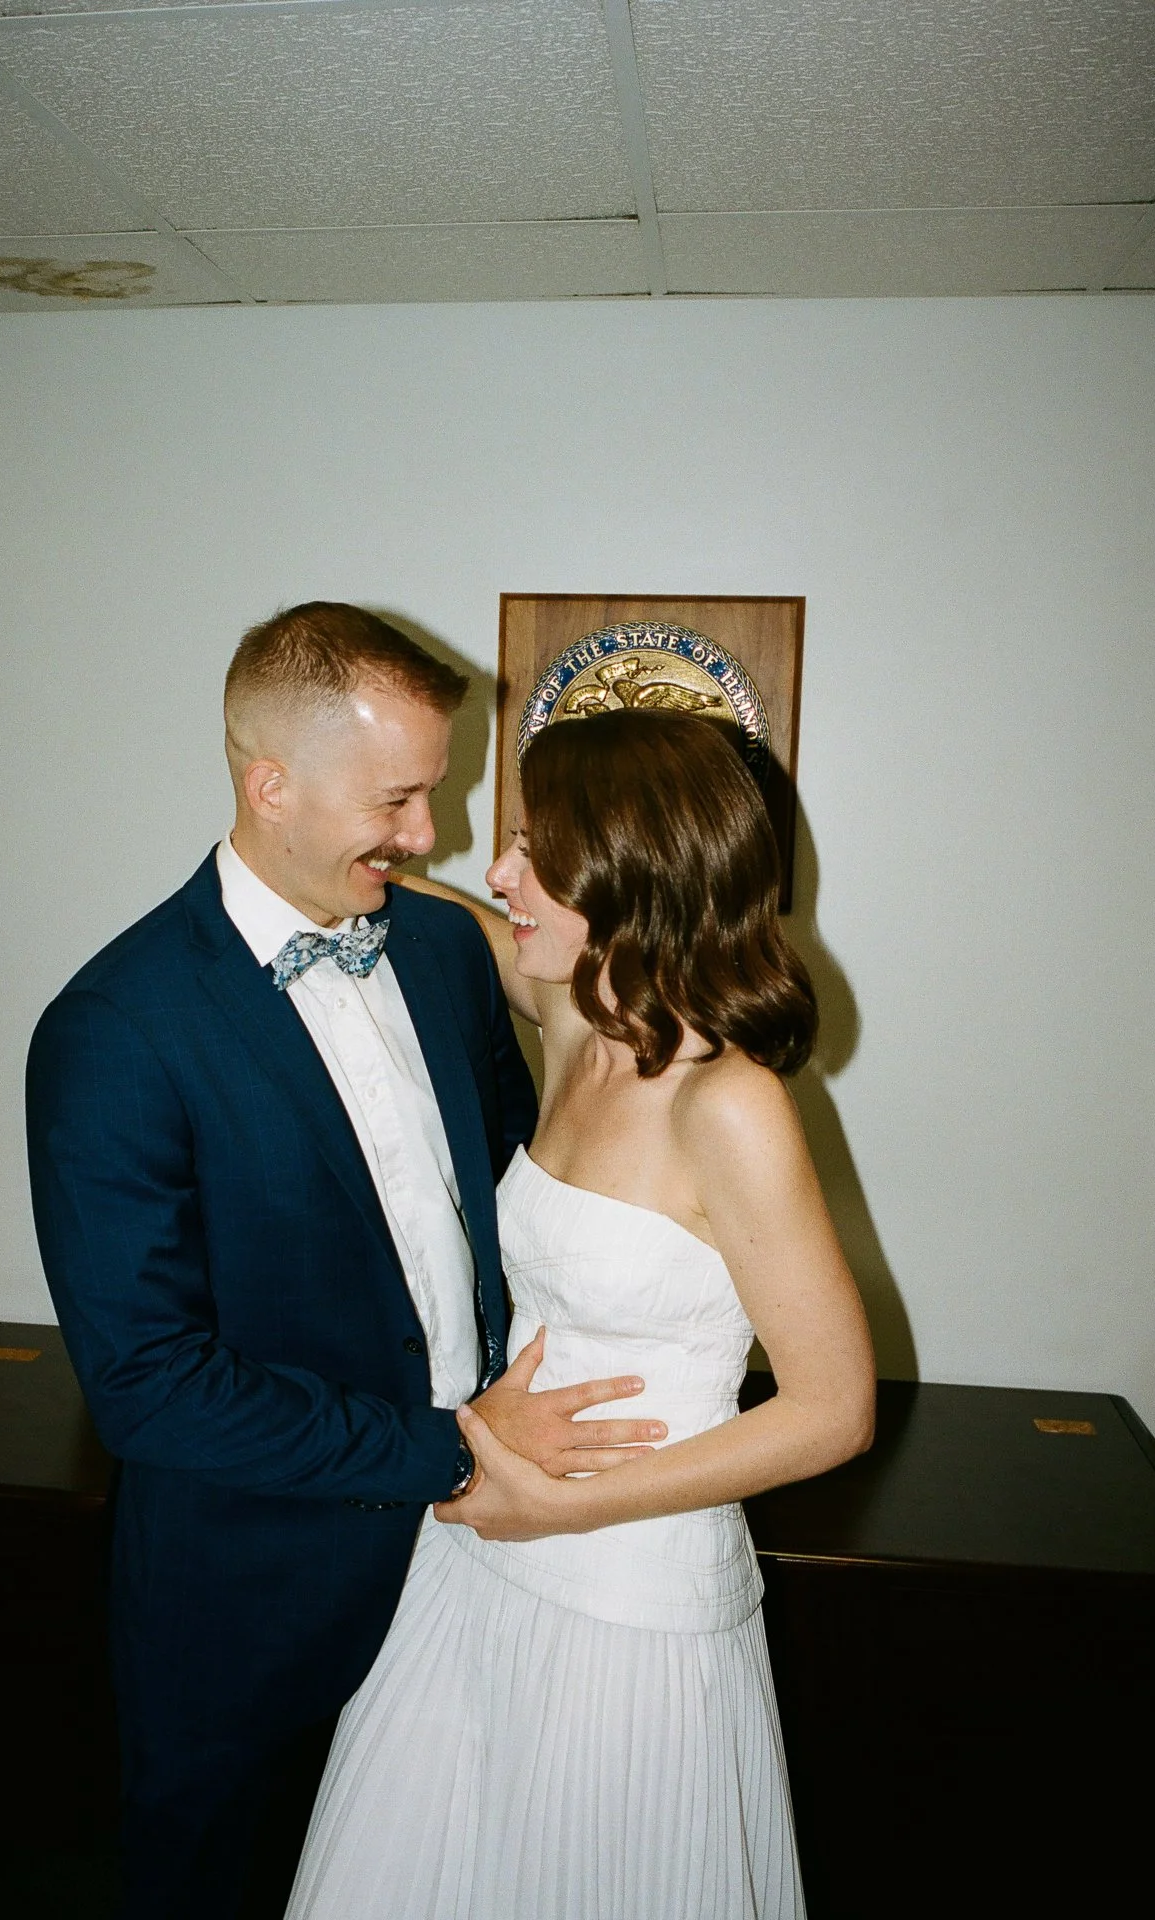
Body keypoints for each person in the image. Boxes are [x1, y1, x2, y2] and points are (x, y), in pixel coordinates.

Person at [24, 603, 665, 1920]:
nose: (429, 835)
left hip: (492, 1561)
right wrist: (449, 1447)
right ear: (271, 786)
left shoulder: (434, 945)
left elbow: (504, 1189)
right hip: (253, 1605)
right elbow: (147, 1385)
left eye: (431, 792)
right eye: (401, 798)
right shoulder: (113, 1030)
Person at [286, 707, 877, 1920]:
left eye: (533, 852)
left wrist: (563, 1502)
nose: (498, 871)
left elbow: (834, 1411)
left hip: (628, 1591)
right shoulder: (576, 1020)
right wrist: (316, 838)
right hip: (478, 1556)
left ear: (631, 876)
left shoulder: (729, 1104)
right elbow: (435, 909)